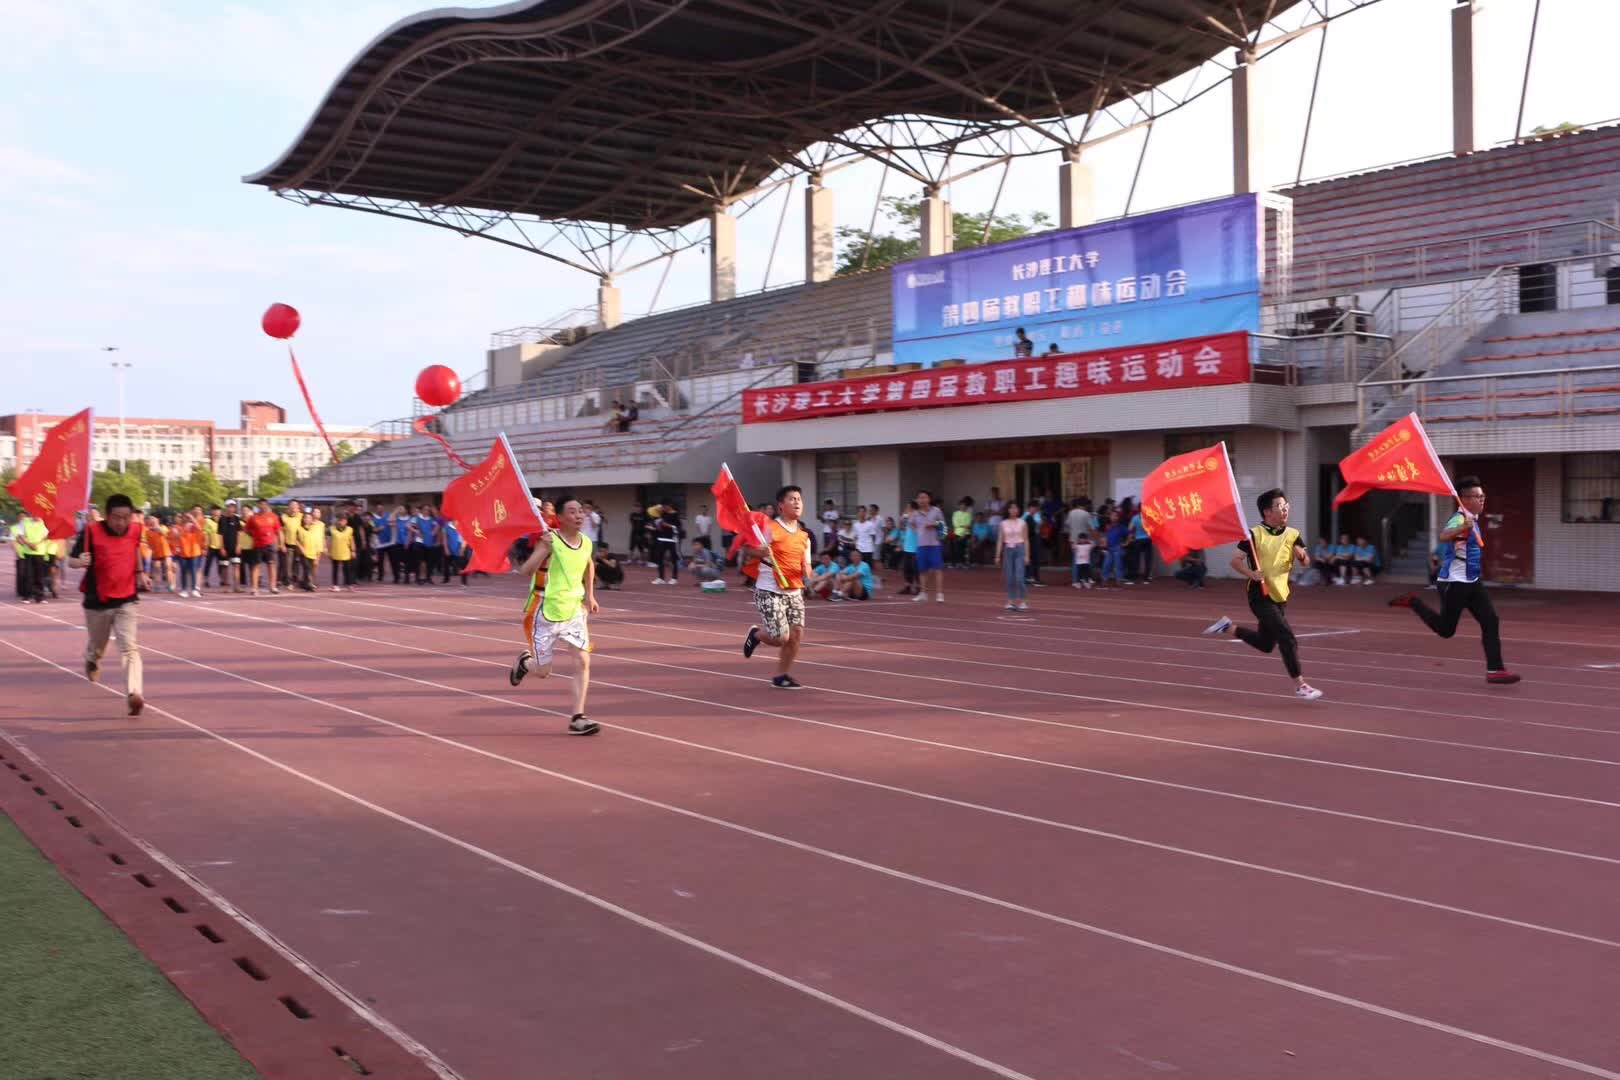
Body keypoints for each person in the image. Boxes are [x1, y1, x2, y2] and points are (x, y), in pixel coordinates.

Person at [1389, 477, 1521, 685]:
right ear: (1465, 499)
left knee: (1490, 621)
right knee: (1446, 631)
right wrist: (1462, 527)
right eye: (1477, 496)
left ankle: (1495, 670)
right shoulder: (1459, 518)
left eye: (1482, 496)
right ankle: (1414, 602)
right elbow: (1443, 536)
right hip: (1454, 582)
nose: (1482, 499)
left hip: (1472, 581)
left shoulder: (1473, 517)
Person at [1203, 488, 1323, 700]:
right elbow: (1235, 561)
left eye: (1286, 506)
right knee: (1287, 637)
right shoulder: (1253, 535)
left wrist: (1301, 555)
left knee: (1266, 644)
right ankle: (1300, 685)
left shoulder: (1292, 534)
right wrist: (1251, 573)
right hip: (1259, 595)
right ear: (1267, 512)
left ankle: (1228, 627)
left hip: (1280, 596)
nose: (1285, 510)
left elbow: (1306, 563)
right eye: (1280, 506)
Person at [507, 499, 601, 735]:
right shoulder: (550, 540)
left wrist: (590, 595)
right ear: (560, 517)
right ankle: (525, 663)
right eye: (572, 512)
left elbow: (588, 565)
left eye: (580, 511)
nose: (579, 515)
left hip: (574, 610)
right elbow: (526, 570)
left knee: (583, 660)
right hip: (547, 612)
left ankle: (577, 718)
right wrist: (544, 549)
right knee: (543, 671)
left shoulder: (586, 542)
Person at [71, 493, 151, 716]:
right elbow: (71, 560)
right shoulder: (91, 532)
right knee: (99, 645)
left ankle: (134, 693)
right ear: (107, 516)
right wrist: (80, 561)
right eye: (117, 517)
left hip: (127, 599)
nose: (121, 522)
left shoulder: (136, 529)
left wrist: (140, 573)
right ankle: (92, 658)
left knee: (129, 647)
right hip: (97, 601)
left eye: (126, 517)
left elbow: (135, 548)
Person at [742, 485, 814, 690]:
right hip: (769, 590)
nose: (797, 502)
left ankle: (781, 676)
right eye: (792, 499)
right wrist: (761, 552)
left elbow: (807, 564)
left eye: (799, 499)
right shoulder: (769, 528)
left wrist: (807, 571)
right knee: (780, 637)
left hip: (794, 591)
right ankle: (756, 635)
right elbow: (748, 550)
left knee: (796, 634)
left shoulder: (804, 537)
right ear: (781, 505)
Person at [909, 490, 946, 602]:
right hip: (921, 544)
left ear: (929, 499)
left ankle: (939, 594)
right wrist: (918, 531)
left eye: (924, 497)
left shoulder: (936, 510)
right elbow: (911, 523)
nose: (922, 500)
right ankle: (923, 593)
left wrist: (934, 524)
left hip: (934, 544)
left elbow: (943, 525)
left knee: (937, 569)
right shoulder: (915, 513)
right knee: (922, 570)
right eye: (920, 498)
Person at [995, 500, 1029, 611]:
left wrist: (1027, 555)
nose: (1014, 510)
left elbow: (1026, 540)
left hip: (1020, 549)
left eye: (1016, 508)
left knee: (1019, 577)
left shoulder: (1023, 523)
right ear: (1008, 510)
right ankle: (1010, 601)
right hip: (1008, 550)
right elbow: (1000, 540)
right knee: (1009, 577)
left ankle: (1023, 601)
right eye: (1011, 508)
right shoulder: (1003, 523)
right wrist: (997, 556)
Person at [245, 498, 283, 595]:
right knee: (256, 566)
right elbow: (247, 530)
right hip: (258, 545)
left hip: (270, 544)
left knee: (271, 565)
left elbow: (278, 531)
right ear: (258, 505)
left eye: (264, 504)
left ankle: (272, 587)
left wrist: (281, 544)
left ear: (267, 505)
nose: (262, 506)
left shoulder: (273, 517)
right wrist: (255, 535)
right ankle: (254, 588)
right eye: (260, 504)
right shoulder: (253, 518)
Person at [176, 508, 207, 597]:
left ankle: (194, 589)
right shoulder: (179, 527)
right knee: (184, 571)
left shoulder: (193, 526)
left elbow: (199, 528)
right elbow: (178, 537)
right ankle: (184, 590)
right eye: (185, 517)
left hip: (194, 551)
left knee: (193, 570)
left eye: (188, 517)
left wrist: (192, 519)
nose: (186, 518)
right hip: (183, 552)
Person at [651, 510, 681, 584]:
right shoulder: (661, 517)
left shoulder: (675, 517)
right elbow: (658, 528)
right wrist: (657, 525)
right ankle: (661, 578)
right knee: (659, 558)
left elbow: (677, 528)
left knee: (673, 559)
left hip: (672, 540)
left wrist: (667, 525)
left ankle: (674, 578)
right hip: (662, 539)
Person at [329, 513, 357, 591]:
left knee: (347, 569)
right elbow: (329, 541)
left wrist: (353, 551)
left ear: (346, 521)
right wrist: (328, 551)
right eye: (339, 520)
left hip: (346, 552)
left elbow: (352, 540)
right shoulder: (332, 529)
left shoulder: (350, 529)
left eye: (343, 520)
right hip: (335, 552)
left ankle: (349, 584)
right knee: (335, 569)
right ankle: (335, 585)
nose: (340, 522)